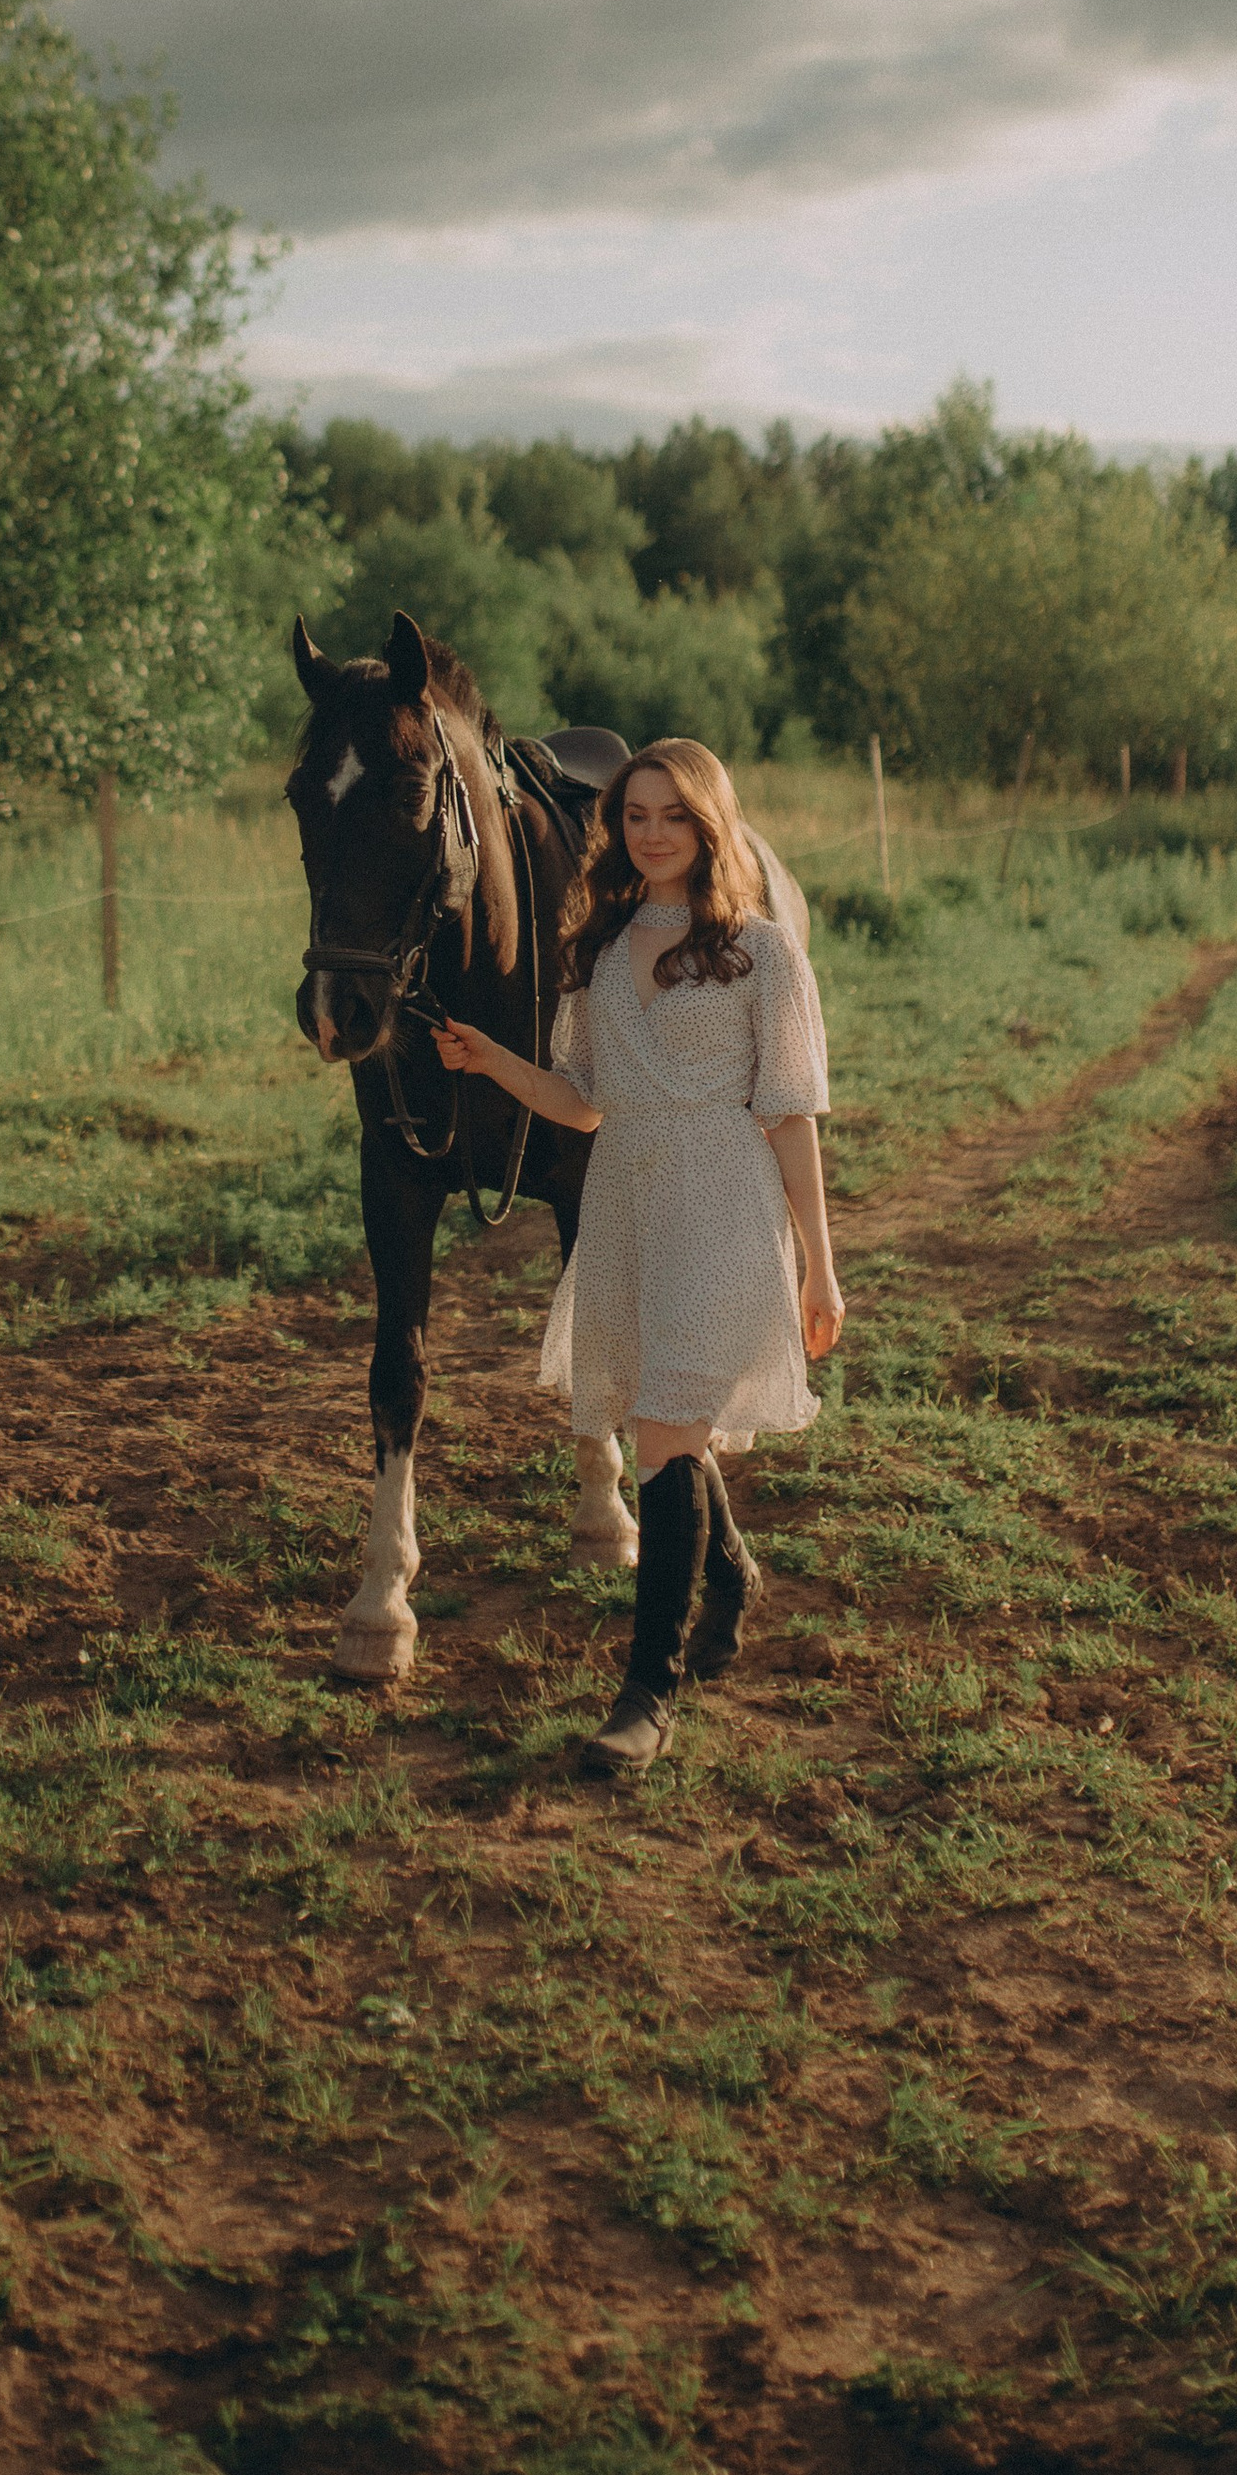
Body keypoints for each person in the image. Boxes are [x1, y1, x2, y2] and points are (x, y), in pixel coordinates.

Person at [432, 738, 844, 1776]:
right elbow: (582, 1100)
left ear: (711, 823)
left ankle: (646, 1689)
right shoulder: (602, 950)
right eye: (634, 814)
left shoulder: (760, 951)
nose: (650, 831)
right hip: (624, 1200)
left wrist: (818, 1264)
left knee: (663, 1426)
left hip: (722, 1201)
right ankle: (733, 1572)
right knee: (662, 1431)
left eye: (671, 813)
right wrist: (491, 1060)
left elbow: (792, 1118)